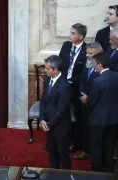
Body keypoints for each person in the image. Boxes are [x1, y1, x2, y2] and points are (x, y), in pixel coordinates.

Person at [86, 53, 118, 172]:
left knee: (96, 145)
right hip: (114, 119)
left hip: (98, 120)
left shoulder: (97, 81)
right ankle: (109, 169)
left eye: (94, 64)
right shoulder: (116, 76)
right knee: (110, 145)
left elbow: (92, 101)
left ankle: (97, 170)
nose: (93, 66)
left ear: (99, 65)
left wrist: (86, 99)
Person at [39, 55, 72, 169]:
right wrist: (42, 119)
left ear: (55, 69)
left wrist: (49, 124)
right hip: (48, 123)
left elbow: (61, 110)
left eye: (48, 68)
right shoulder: (48, 80)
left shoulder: (64, 86)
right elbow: (43, 101)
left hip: (60, 126)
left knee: (63, 154)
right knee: (52, 153)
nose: (45, 70)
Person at [59, 23, 87, 153]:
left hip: (76, 87)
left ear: (80, 37)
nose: (69, 35)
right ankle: (61, 140)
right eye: (70, 33)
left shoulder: (86, 49)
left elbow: (84, 72)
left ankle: (76, 143)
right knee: (62, 112)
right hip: (63, 85)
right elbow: (59, 63)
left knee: (76, 115)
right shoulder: (66, 45)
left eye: (73, 33)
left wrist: (73, 81)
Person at [74, 42, 101, 160]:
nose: (87, 55)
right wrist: (82, 95)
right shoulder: (88, 62)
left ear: (98, 53)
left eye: (90, 53)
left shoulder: (103, 65)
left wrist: (88, 98)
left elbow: (100, 86)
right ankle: (86, 150)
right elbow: (81, 80)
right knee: (84, 126)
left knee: (95, 130)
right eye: (86, 52)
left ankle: (95, 154)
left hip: (95, 104)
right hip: (83, 100)